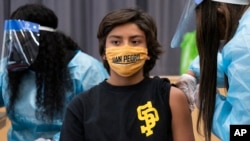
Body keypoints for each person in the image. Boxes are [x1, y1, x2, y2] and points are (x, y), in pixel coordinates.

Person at [59, 8, 195, 141]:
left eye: (135, 41)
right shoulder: (80, 107)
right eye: (116, 42)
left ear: (148, 50)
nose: (125, 48)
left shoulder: (171, 98)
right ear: (104, 53)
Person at [0, 3, 109, 141]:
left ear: (44, 39)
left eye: (23, 42)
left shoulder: (86, 70)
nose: (15, 47)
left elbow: (100, 122)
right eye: (12, 40)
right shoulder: (8, 67)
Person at [173, 0, 250, 141]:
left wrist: (206, 100)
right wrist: (194, 72)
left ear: (219, 13)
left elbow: (242, 132)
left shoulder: (245, 48)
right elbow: (230, 62)